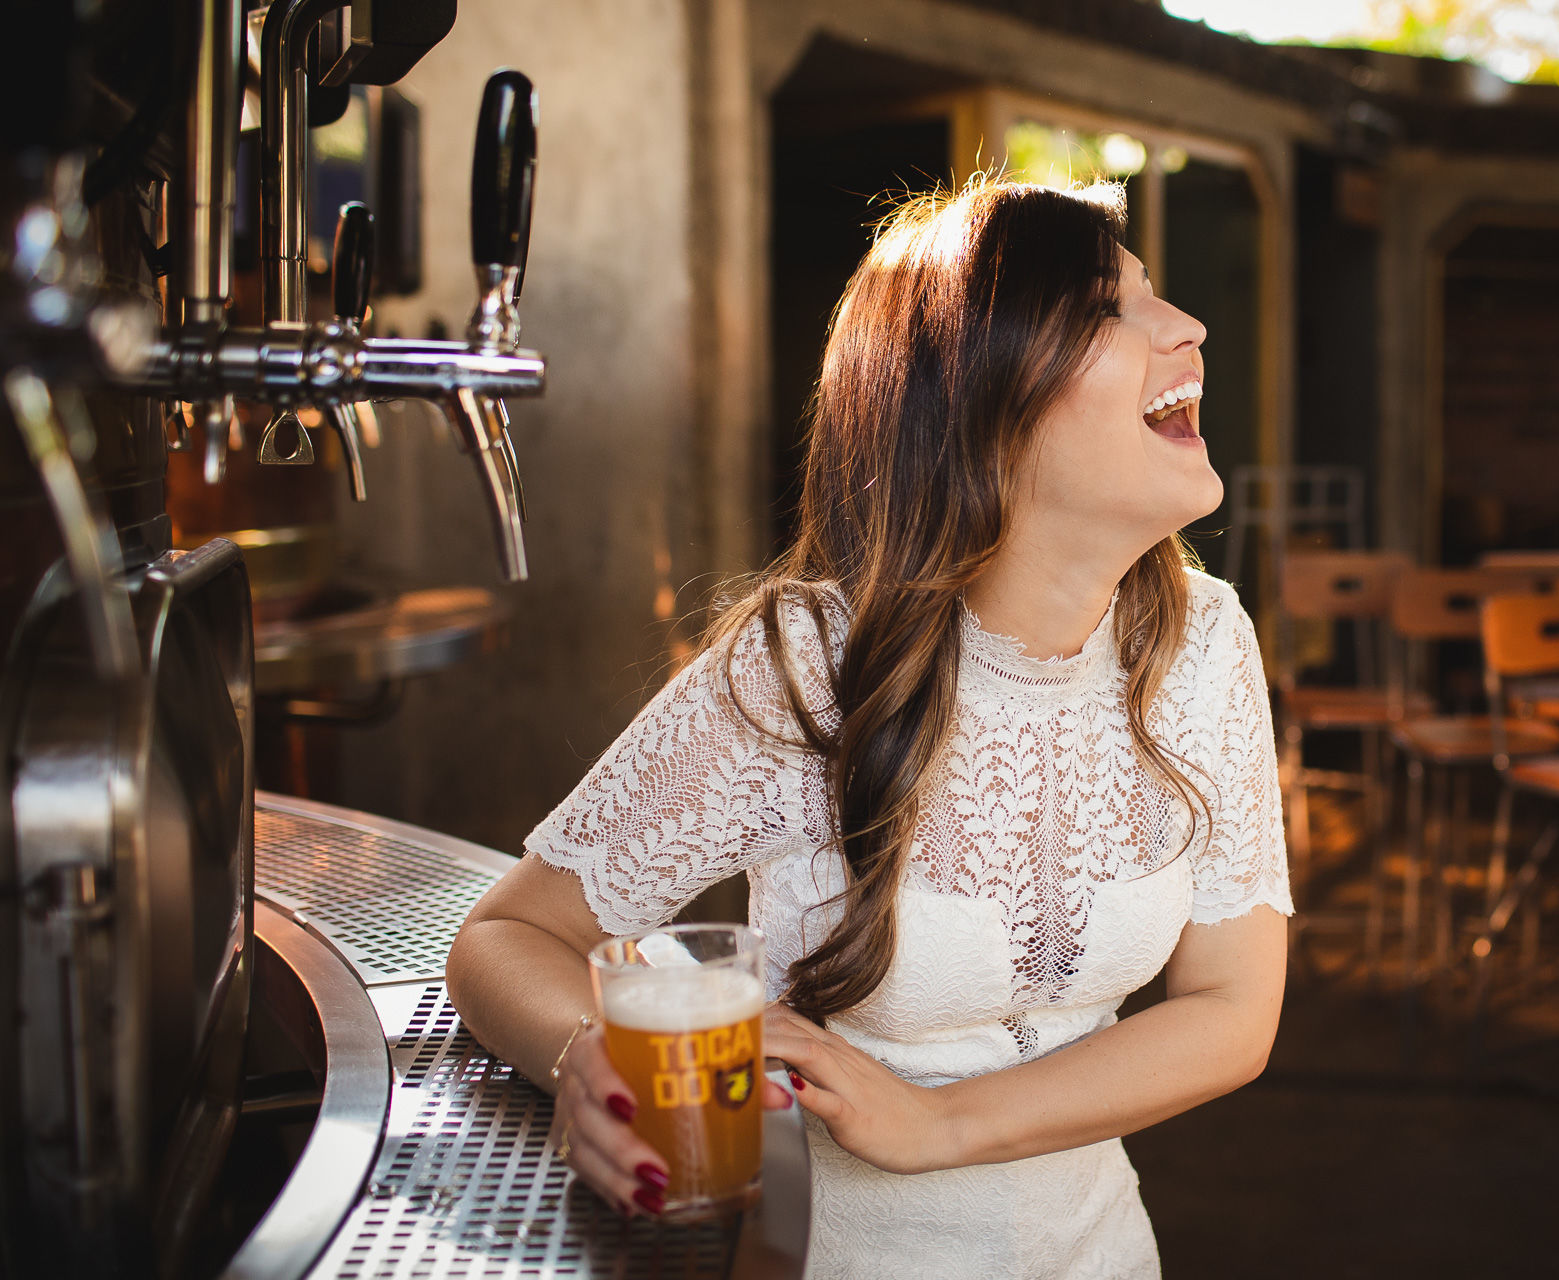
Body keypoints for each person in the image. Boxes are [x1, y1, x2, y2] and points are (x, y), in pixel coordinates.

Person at [445, 175, 1292, 1279]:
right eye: (1105, 308)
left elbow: (1233, 1009)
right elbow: (506, 936)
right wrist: (586, 1056)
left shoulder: (1205, 641)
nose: (1187, 326)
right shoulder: (802, 666)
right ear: (976, 407)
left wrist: (942, 1124)